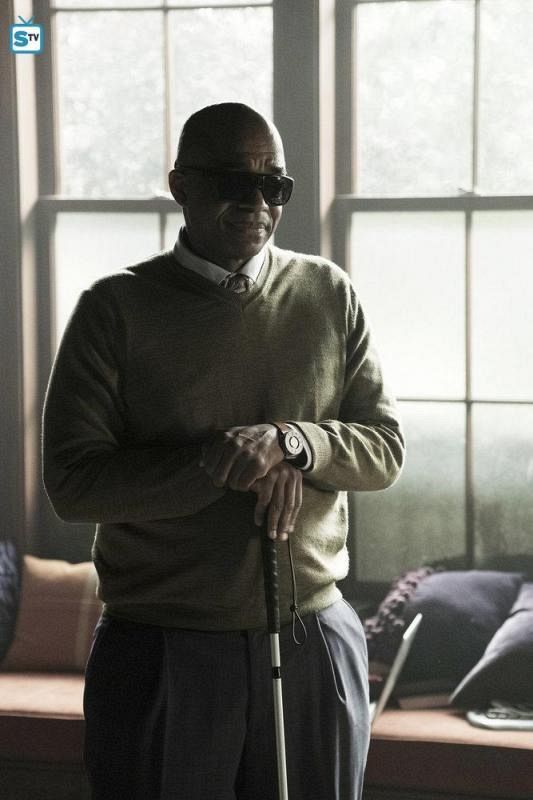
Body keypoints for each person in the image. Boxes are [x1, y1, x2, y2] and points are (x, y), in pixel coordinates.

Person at [43, 102, 404, 800]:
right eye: (233, 181)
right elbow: (73, 482)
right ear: (179, 185)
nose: (256, 202)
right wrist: (218, 465)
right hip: (161, 647)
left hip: (314, 636)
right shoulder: (113, 309)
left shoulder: (328, 293)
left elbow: (384, 448)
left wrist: (291, 442)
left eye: (274, 184)